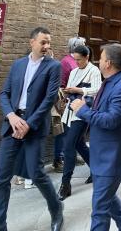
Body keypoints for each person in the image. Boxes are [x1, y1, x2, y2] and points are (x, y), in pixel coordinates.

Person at [0, 27, 63, 231]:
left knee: (37, 173)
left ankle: (56, 210)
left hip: (34, 126)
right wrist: (12, 116)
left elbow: (49, 99)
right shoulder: (18, 65)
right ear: (31, 42)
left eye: (49, 42)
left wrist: (28, 124)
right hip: (12, 125)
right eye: (43, 42)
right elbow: (4, 94)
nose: (47, 46)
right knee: (2, 178)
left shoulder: (53, 66)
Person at [71, 44, 121, 231]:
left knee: (99, 209)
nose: (98, 61)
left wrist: (82, 111)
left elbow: (111, 120)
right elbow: (105, 106)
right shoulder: (110, 80)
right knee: (106, 197)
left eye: (100, 58)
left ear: (108, 63)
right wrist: (88, 102)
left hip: (112, 157)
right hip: (101, 154)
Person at [57, 45, 102, 200]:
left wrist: (79, 90)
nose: (76, 62)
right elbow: (71, 89)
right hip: (70, 111)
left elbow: (97, 90)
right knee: (79, 144)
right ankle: (97, 171)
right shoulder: (74, 71)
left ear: (87, 57)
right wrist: (66, 93)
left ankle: (65, 184)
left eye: (79, 59)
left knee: (68, 145)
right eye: (74, 59)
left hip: (83, 113)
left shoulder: (94, 70)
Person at [53, 36, 86, 172]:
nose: (86, 46)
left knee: (74, 129)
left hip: (78, 101)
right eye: (83, 44)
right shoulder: (66, 62)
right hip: (66, 100)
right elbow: (61, 83)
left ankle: (71, 154)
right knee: (61, 130)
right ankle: (58, 159)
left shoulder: (78, 61)